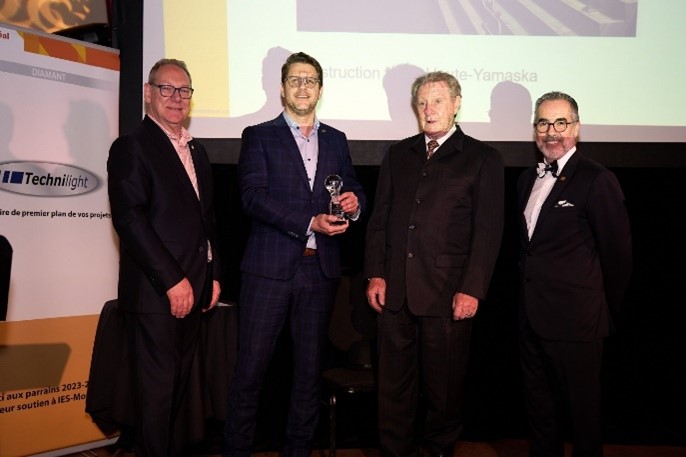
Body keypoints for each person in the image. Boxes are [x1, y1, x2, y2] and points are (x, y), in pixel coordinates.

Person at [223, 51, 366, 457]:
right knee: (250, 373)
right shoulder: (259, 135)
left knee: (308, 376)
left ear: (320, 89)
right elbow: (252, 198)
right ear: (282, 88)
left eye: (310, 80)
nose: (303, 87)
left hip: (318, 273)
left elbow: (352, 187)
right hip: (268, 272)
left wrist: (356, 204)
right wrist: (310, 222)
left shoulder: (336, 140)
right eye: (295, 80)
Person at [365, 71, 504, 457]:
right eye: (423, 102)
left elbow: (488, 232)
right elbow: (380, 220)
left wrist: (472, 289)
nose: (429, 109)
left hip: (448, 295)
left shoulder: (482, 158)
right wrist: (376, 272)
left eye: (438, 100)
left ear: (457, 104)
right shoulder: (398, 155)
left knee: (443, 392)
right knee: (393, 389)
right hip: (395, 292)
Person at [107, 58, 221, 456]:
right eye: (166, 89)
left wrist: (213, 272)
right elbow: (131, 220)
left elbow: (205, 219)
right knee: (155, 401)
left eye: (184, 90)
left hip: (195, 287)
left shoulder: (197, 151)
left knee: (175, 396)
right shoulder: (131, 147)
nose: (176, 98)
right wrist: (172, 281)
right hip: (158, 294)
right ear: (147, 93)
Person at [517, 91, 632, 457]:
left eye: (560, 122)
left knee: (583, 419)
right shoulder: (525, 180)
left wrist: (599, 310)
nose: (552, 132)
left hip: (578, 322)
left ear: (577, 128)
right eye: (543, 123)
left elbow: (618, 255)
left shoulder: (597, 179)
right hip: (531, 319)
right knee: (541, 414)